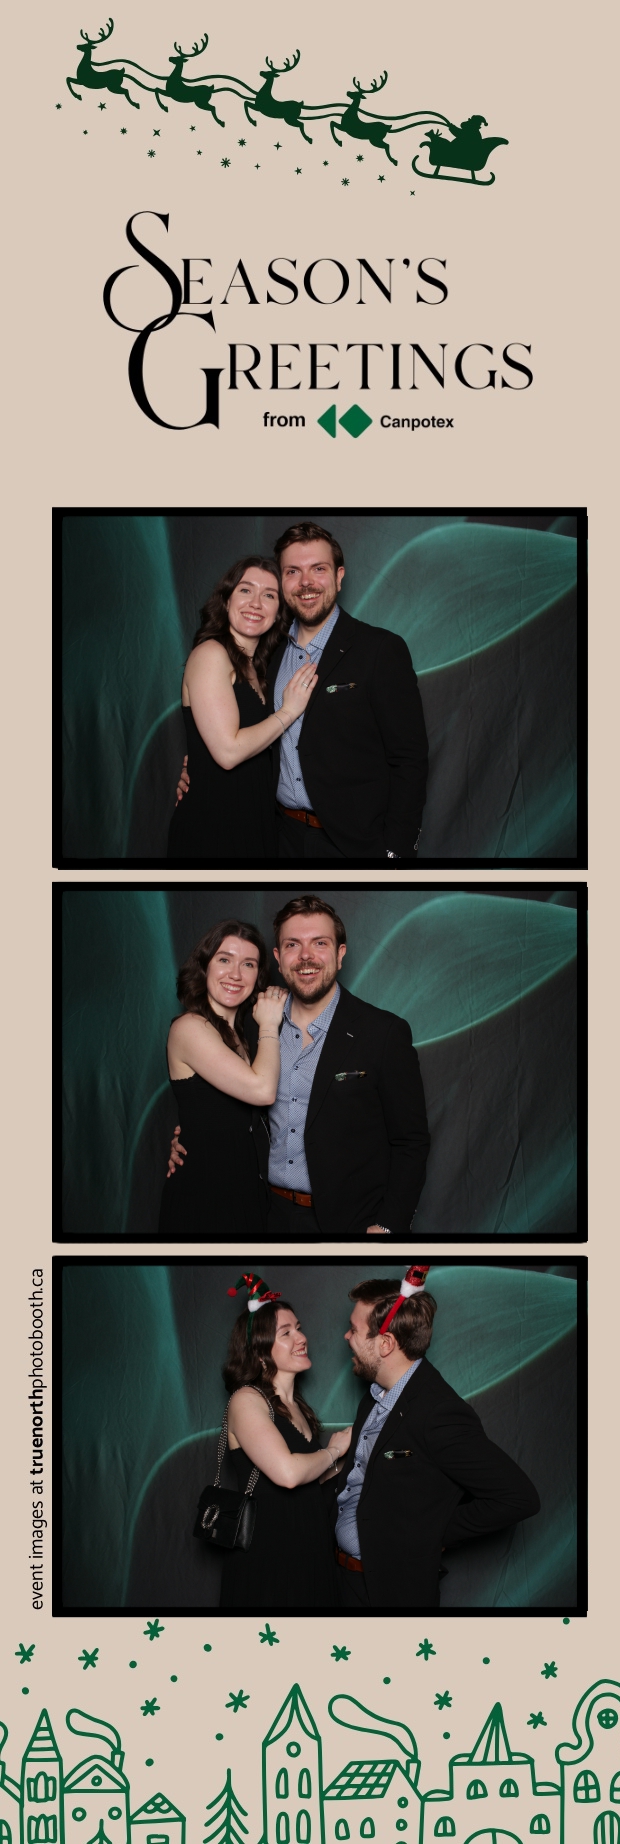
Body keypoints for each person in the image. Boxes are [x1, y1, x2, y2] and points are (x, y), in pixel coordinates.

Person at [168, 894, 430, 1239]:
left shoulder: (382, 1032)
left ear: (340, 953)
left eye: (319, 943)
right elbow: (222, 1102)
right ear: (278, 959)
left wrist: (390, 1223)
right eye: (293, 944)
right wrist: (190, 1135)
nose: (306, 956)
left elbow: (411, 1140)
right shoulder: (254, 1026)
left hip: (349, 1223)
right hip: (265, 1214)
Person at [175, 521, 429, 861]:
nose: (306, 582)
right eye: (293, 571)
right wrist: (200, 763)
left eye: (318, 569)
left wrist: (396, 851)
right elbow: (233, 731)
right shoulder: (269, 655)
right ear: (284, 583)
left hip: (353, 845)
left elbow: (409, 759)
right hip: (280, 836)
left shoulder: (379, 649)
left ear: (339, 576)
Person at [333, 1268, 541, 1608]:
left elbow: (519, 1498)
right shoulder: (374, 1394)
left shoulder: (438, 1413)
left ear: (385, 1344)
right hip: (346, 1581)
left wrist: (429, 1533)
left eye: (354, 1330)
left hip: (391, 1593)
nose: (346, 1336)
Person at [166, 554, 318, 859]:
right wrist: (288, 711)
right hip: (213, 829)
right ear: (226, 601)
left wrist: (195, 761)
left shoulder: (261, 669)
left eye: (269, 595)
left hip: (255, 823)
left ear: (278, 612)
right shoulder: (210, 654)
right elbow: (228, 753)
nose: (256, 603)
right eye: (246, 590)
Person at [219, 1275, 352, 1609]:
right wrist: (333, 1450)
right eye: (286, 1333)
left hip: (310, 1553)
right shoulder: (246, 1400)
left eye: (299, 1328)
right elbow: (289, 1474)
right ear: (260, 1351)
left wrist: (355, 1451)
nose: (301, 1338)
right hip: (269, 1560)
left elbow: (310, 1481)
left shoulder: (299, 1408)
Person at [158, 920, 287, 1239]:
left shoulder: (241, 1035)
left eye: (248, 964)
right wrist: (270, 1023)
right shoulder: (190, 1027)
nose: (236, 974)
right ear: (204, 966)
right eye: (225, 959)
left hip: (245, 1193)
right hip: (205, 1198)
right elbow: (262, 1091)